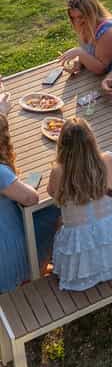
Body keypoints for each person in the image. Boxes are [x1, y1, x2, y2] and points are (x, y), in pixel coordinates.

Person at [47, 119, 112, 291]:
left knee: (58, 221)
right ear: (92, 139)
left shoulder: (58, 171)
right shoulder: (106, 160)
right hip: (111, 239)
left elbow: (52, 192)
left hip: (80, 246)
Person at [0, 111, 59, 290]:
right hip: (7, 250)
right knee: (56, 209)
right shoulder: (1, 173)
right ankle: (37, 268)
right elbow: (31, 198)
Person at [61, 0, 112, 77]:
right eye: (73, 17)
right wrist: (78, 63)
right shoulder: (85, 26)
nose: (77, 22)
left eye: (80, 17)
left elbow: (101, 69)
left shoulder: (107, 31)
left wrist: (80, 52)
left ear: (93, 13)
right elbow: (89, 53)